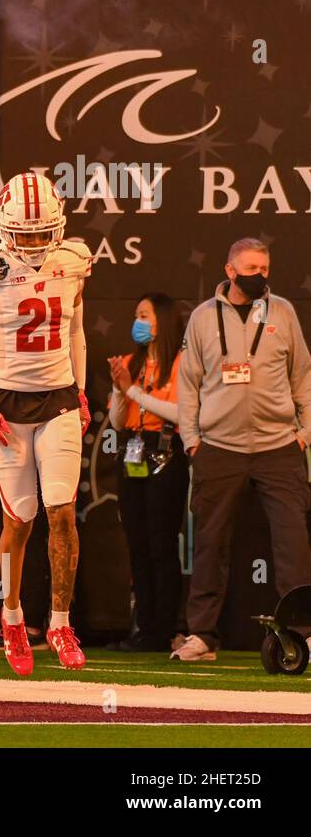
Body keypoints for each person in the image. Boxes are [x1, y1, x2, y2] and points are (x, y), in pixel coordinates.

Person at [0, 171, 92, 676]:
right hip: (7, 405)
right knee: (21, 517)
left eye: (40, 232)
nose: (32, 243)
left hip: (57, 402)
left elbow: (76, 328)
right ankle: (12, 616)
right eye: (24, 233)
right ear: (5, 228)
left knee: (62, 513)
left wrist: (79, 386)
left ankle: (59, 621)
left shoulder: (72, 261)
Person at [174, 238, 311, 662]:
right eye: (252, 268)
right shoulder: (201, 318)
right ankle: (202, 636)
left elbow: (302, 375)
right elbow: (189, 384)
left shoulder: (283, 312)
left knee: (293, 543)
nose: (260, 276)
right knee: (210, 543)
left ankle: (303, 634)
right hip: (218, 448)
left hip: (279, 447)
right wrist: (192, 441)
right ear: (230, 270)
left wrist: (305, 432)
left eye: (265, 268)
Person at [107, 294, 188, 652]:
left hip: (167, 453)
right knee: (137, 545)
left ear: (163, 321)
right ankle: (143, 627)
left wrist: (132, 391)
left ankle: (165, 628)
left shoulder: (182, 363)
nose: (138, 322)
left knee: (161, 544)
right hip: (133, 452)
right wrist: (119, 390)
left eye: (145, 315)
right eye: (136, 314)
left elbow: (181, 414)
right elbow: (115, 420)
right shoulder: (130, 362)